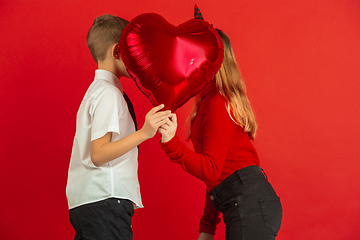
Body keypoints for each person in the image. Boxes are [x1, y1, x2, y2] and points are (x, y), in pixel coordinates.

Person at [158, 29, 283, 240]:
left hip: (249, 203)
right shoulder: (208, 101)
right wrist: (208, 226)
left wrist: (171, 143)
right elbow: (220, 174)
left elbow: (211, 170)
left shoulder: (218, 102)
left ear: (210, 60)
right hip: (244, 202)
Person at [66, 14, 171, 240]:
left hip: (91, 202)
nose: (138, 57)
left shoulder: (96, 91)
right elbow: (99, 153)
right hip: (105, 201)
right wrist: (145, 132)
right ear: (117, 52)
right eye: (133, 51)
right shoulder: (108, 94)